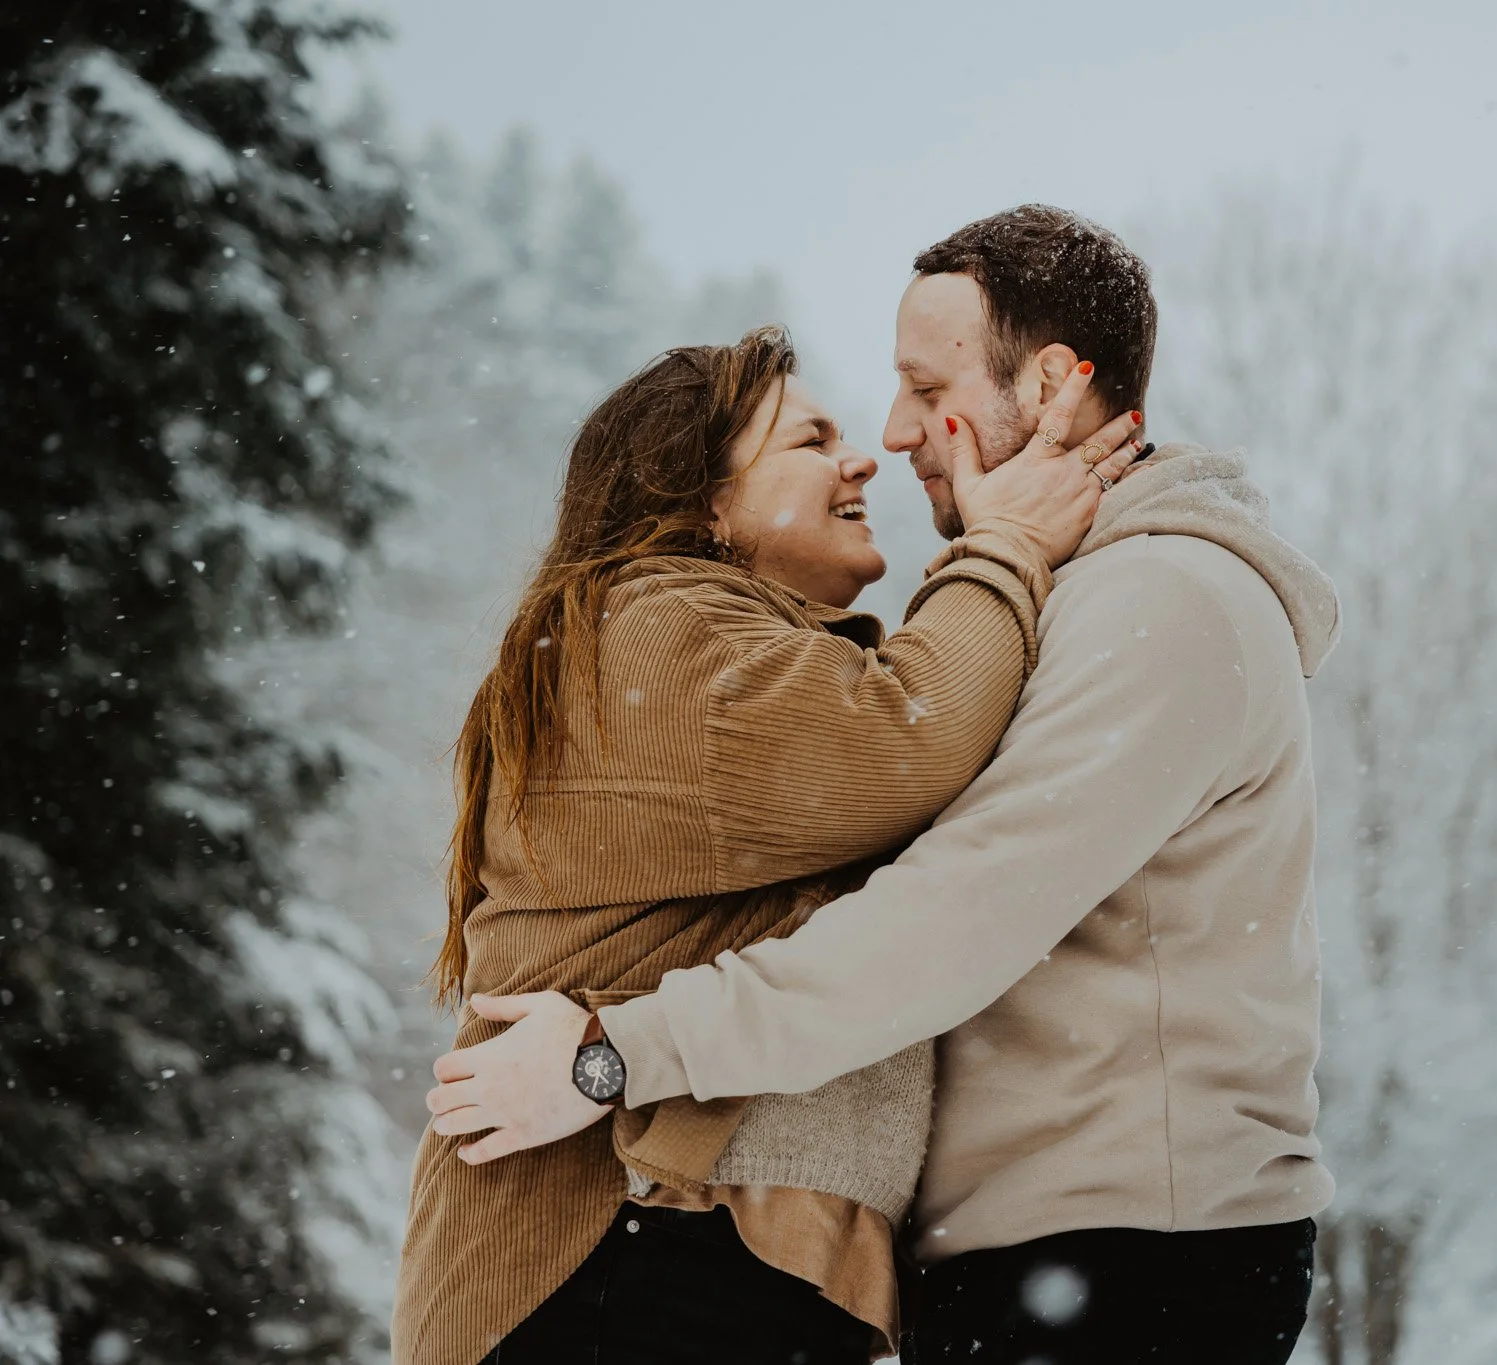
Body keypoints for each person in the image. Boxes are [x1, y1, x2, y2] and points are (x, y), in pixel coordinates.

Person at [427, 205, 1342, 1364]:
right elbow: (897, 757)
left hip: (1123, 1250)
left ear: (1056, 387)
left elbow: (948, 913)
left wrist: (613, 1055)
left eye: (921, 387)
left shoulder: (1157, 601)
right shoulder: (707, 635)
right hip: (979, 1256)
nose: (892, 433)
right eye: (824, 432)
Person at [391, 324, 1143, 1365]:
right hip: (622, 1260)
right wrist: (1005, 546)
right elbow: (905, 738)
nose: (861, 458)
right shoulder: (650, 626)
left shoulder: (707, 642)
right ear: (698, 499)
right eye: (808, 441)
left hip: (691, 1259)